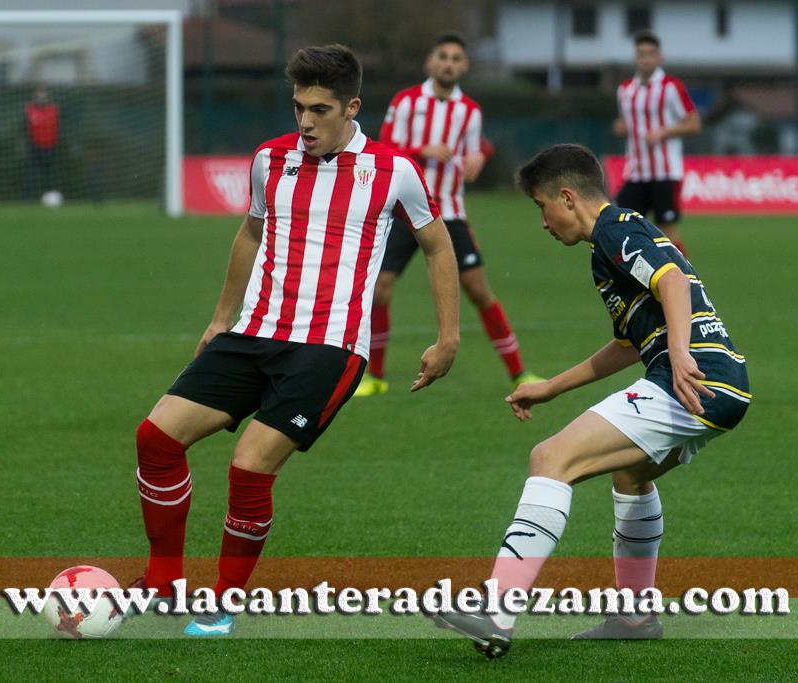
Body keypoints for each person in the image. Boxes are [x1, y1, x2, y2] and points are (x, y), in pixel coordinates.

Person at [132, 44, 460, 637]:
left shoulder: (394, 171)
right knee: (155, 438)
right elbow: (250, 233)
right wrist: (220, 317)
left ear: (351, 107)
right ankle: (164, 582)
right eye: (298, 107)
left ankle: (223, 603)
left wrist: (448, 338)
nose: (305, 121)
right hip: (254, 330)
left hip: (328, 348)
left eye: (319, 109)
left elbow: (438, 246)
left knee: (249, 468)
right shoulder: (269, 159)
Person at [432, 144, 749, 658]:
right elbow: (628, 342)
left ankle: (496, 611)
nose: (542, 221)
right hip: (721, 385)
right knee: (630, 476)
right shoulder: (609, 246)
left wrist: (680, 353)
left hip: (688, 379)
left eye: (541, 206)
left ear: (567, 196)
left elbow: (672, 282)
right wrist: (552, 385)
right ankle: (636, 615)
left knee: (550, 458)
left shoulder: (615, 227)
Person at [356, 32, 539, 396]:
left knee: (479, 291)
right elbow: (384, 149)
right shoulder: (406, 102)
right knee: (380, 291)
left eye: (456, 58)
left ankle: (520, 372)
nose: (449, 64)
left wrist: (479, 158)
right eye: (443, 56)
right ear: (430, 62)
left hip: (450, 214)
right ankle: (374, 377)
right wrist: (421, 149)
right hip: (402, 213)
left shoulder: (470, 111)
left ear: (464, 66)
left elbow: (473, 153)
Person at [613, 31, 700, 255]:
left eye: (651, 54)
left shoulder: (671, 87)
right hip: (636, 172)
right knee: (622, 226)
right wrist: (621, 127)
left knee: (667, 232)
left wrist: (665, 132)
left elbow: (694, 123)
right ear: (635, 57)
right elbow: (628, 122)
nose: (645, 58)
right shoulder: (625, 90)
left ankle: (684, 279)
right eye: (641, 53)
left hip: (665, 172)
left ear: (660, 57)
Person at [22, 86, 60, 201]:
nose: (41, 97)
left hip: (50, 147)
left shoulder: (53, 109)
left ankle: (52, 197)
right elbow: (25, 128)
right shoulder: (29, 110)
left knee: (50, 174)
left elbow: (58, 127)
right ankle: (28, 199)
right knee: (31, 173)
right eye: (39, 94)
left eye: (43, 94)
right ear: (35, 96)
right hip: (35, 147)